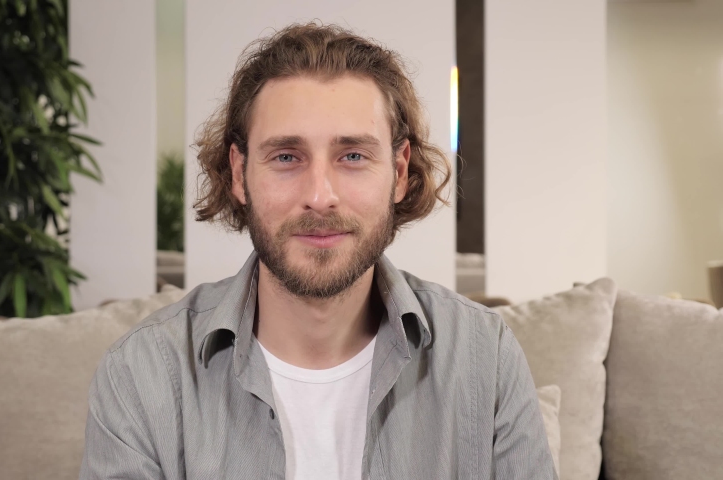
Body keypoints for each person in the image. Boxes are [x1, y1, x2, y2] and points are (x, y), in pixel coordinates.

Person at [79, 22, 556, 480]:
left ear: (399, 170)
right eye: (287, 156)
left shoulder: (484, 358)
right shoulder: (142, 374)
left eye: (353, 156)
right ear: (240, 173)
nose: (320, 195)